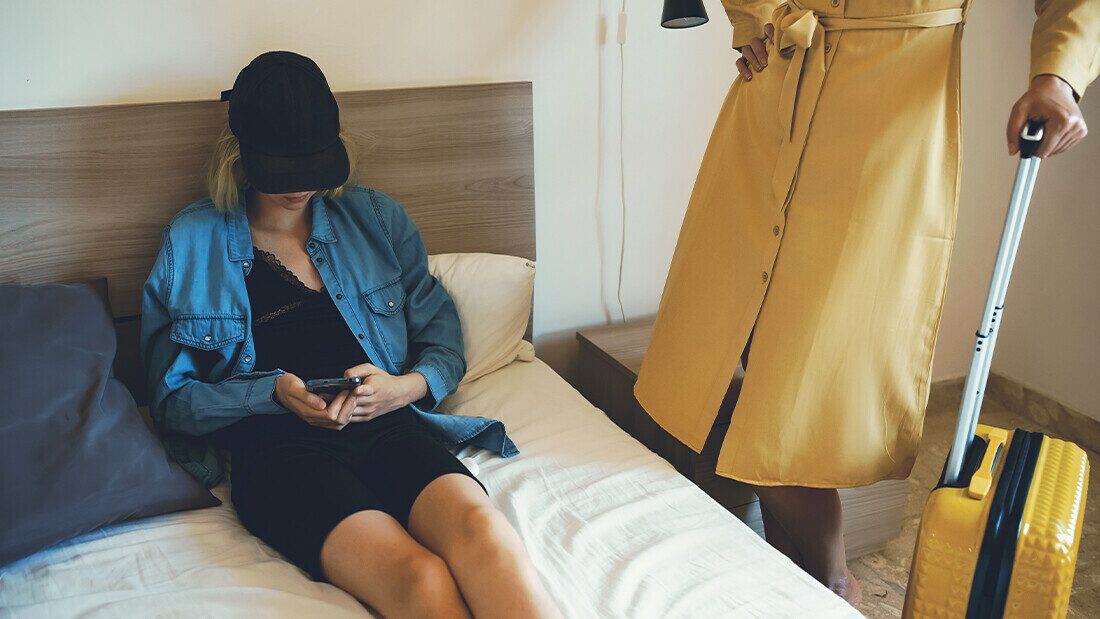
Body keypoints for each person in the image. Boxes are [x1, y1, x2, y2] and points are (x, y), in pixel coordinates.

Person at [635, 0, 1097, 605]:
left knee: (800, 367)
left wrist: (1058, 74)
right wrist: (752, 21)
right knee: (735, 353)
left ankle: (829, 583)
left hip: (888, 108)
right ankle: (800, 583)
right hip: (775, 86)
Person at [140, 51, 561, 618]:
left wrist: (405, 387)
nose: (302, 187)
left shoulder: (376, 219)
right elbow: (171, 404)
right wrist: (269, 393)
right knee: (421, 578)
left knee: (484, 532)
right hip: (280, 449)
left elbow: (442, 338)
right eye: (284, 171)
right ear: (239, 154)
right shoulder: (189, 242)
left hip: (390, 424)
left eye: (315, 165)